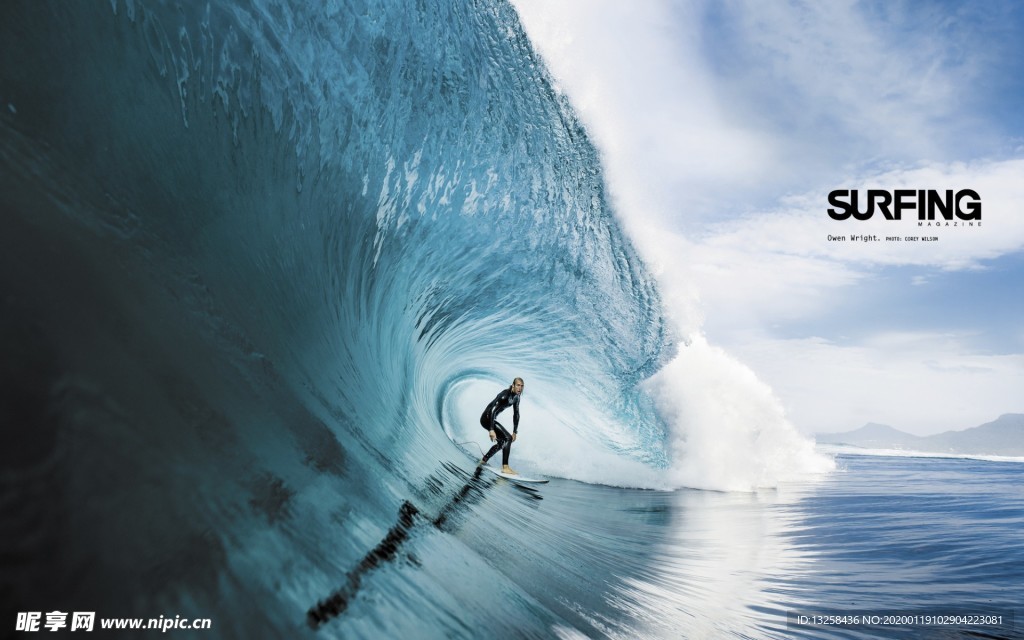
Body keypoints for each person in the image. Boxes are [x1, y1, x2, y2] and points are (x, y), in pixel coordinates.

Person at [479, 378, 524, 474]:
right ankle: (505, 467)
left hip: (491, 419)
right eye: (518, 385)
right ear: (513, 385)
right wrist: (491, 429)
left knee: (502, 442)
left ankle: (484, 460)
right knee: (507, 438)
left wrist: (515, 431)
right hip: (486, 418)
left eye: (522, 386)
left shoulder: (516, 397)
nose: (520, 388)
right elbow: (492, 410)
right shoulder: (504, 395)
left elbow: (516, 414)